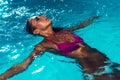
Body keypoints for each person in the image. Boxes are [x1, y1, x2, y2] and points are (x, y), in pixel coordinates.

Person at [0, 15, 120, 80]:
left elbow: (80, 25)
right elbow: (24, 64)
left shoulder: (64, 31)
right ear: (36, 31)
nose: (43, 16)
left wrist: (93, 18)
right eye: (37, 19)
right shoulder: (43, 45)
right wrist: (3, 77)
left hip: (107, 62)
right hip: (94, 70)